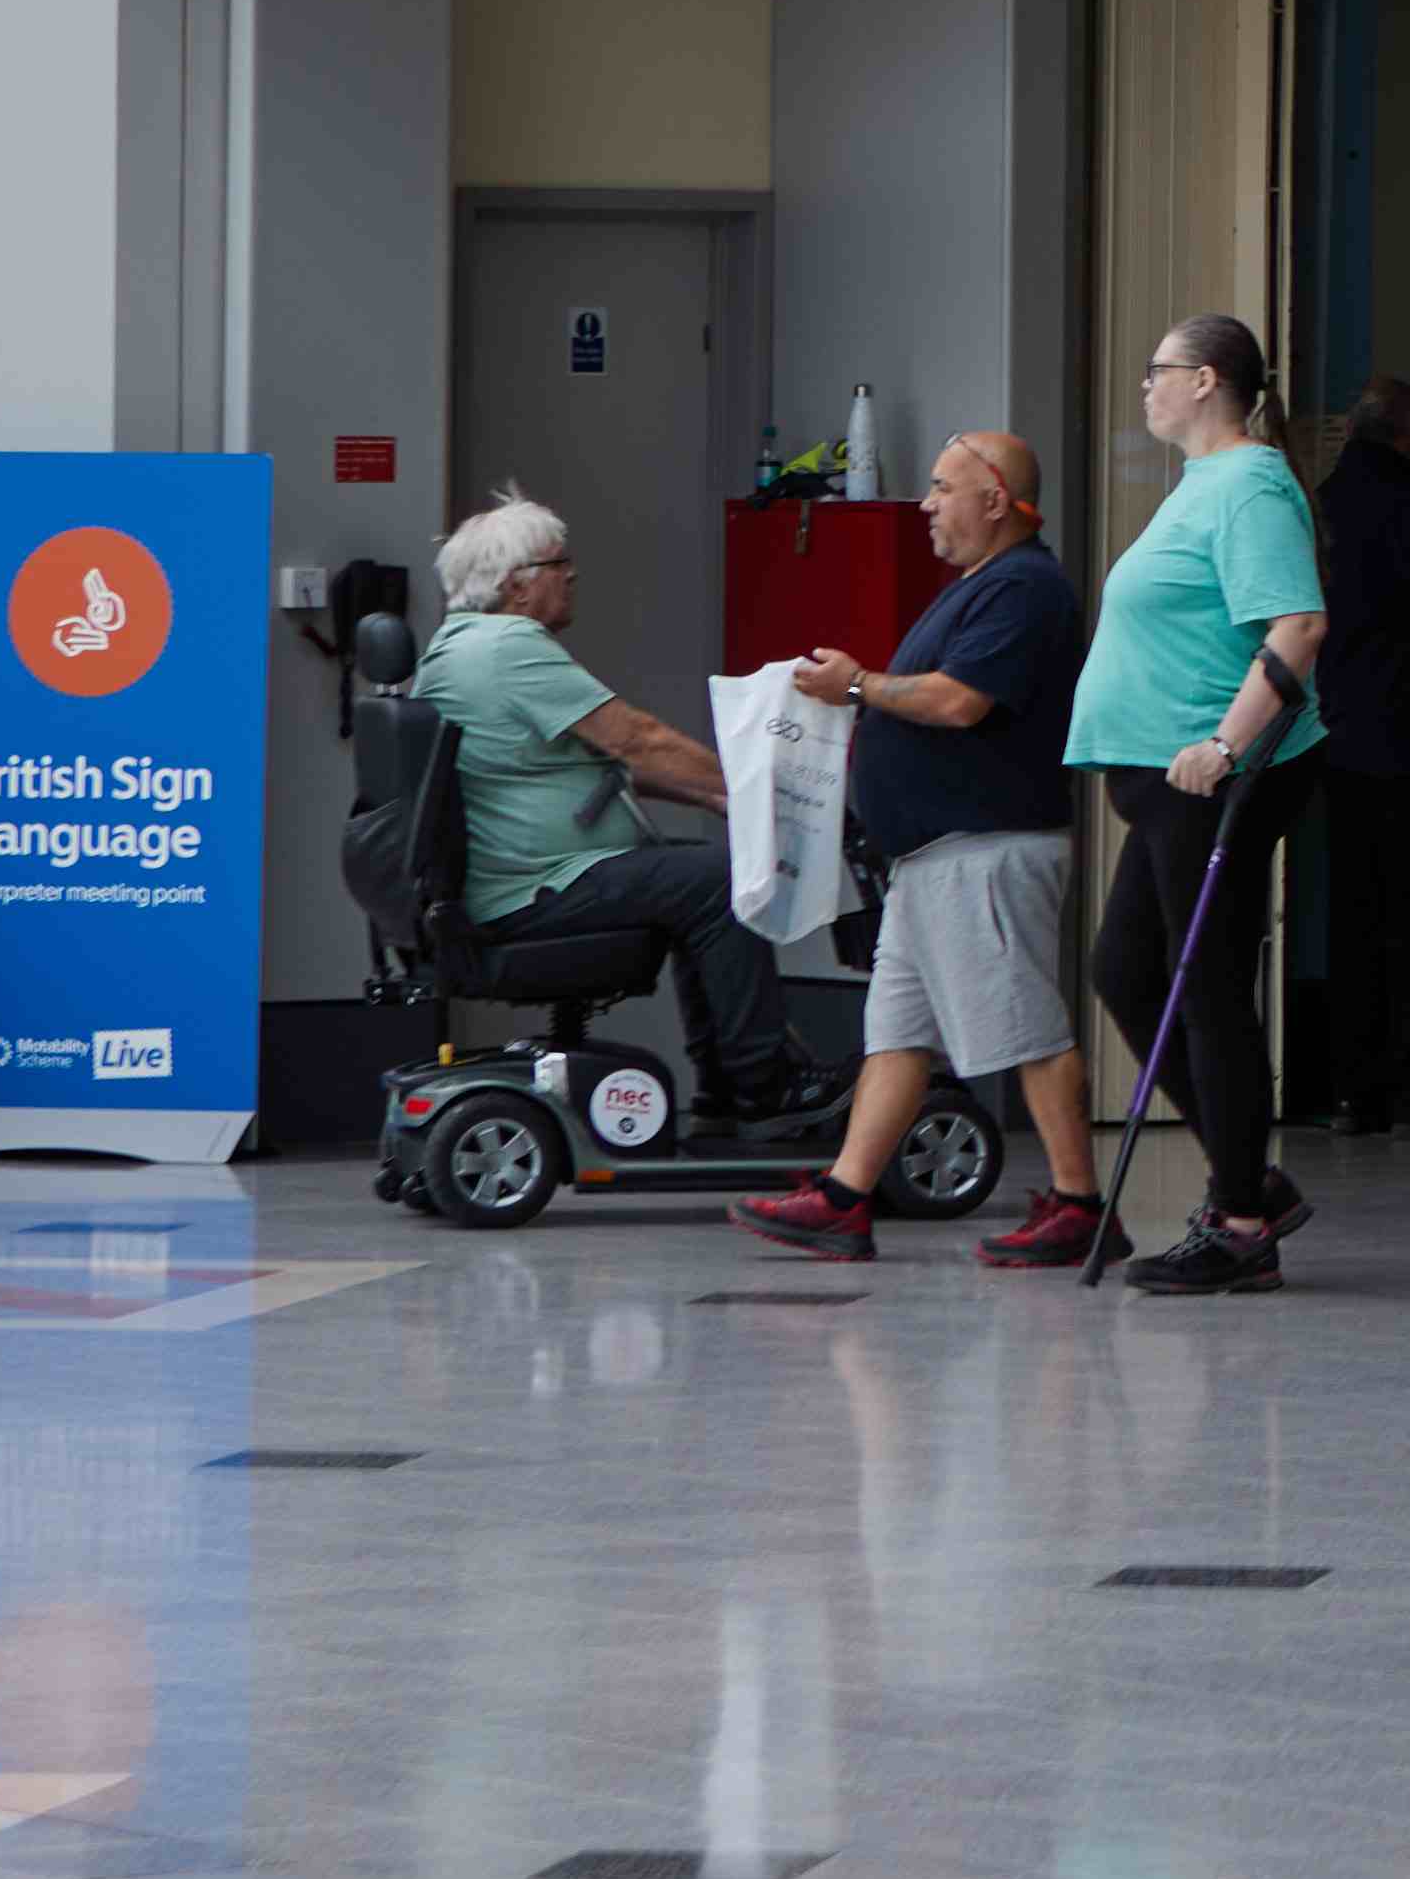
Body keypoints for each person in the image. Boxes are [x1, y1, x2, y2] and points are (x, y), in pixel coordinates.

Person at [980, 320, 1320, 1294]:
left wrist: (1223, 746)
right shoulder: (1206, 482)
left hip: (1211, 778)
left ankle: (1243, 1218)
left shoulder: (1251, 481)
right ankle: (1250, 1175)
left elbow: (1297, 623)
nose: (1144, 387)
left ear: (1204, 380)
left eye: (1156, 370)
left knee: (1205, 986)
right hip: (1168, 784)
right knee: (1126, 967)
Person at [746, 424, 1116, 1273]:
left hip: (982, 851)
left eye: (943, 487)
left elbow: (959, 703)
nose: (925, 502)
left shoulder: (1024, 589)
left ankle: (1079, 1203)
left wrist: (858, 685)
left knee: (1025, 1029)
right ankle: (844, 1198)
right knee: (898, 1036)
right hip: (932, 859)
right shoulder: (985, 585)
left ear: (994, 500)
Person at [395, 498, 808, 1125]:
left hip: (520, 879)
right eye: (561, 564)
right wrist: (765, 794)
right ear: (519, 586)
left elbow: (596, 763)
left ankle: (731, 1086)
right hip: (533, 888)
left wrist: (722, 798)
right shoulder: (510, 649)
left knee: (694, 877)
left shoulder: (458, 646)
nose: (573, 577)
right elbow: (634, 738)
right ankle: (765, 1086)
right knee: (718, 880)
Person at [1305, 376, 1410, 1133]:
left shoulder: (1320, 506)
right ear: (1409, 434)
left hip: (1336, 738)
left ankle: (1351, 1089)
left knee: (1354, 919)